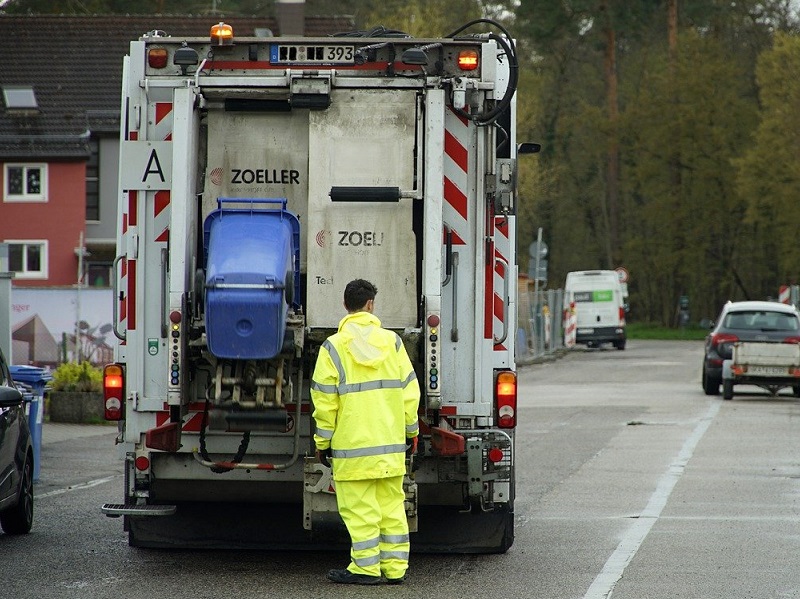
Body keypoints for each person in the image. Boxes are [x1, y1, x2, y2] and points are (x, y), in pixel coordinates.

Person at [311, 279, 420, 585]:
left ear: (346, 306)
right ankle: (395, 569)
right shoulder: (393, 343)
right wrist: (411, 432)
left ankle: (365, 568)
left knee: (360, 512)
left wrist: (323, 442)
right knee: (391, 507)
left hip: (352, 451)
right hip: (389, 447)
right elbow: (410, 392)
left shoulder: (333, 347)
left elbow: (324, 401)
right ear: (371, 305)